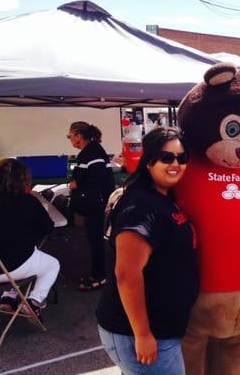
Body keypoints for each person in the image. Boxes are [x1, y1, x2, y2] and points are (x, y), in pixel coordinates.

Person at [96, 126, 199, 375]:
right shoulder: (142, 205)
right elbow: (127, 274)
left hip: (161, 331)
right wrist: (142, 334)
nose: (176, 164)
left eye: (181, 158)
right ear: (149, 161)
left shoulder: (162, 197)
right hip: (140, 335)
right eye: (167, 157)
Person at [0, 158, 60, 321]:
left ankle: (8, 297)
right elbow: (47, 227)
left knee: (20, 255)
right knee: (50, 264)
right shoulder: (26, 200)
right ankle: (34, 302)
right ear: (22, 179)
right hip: (12, 266)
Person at [67, 121, 115, 291]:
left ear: (78, 136)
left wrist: (76, 184)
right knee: (94, 240)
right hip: (95, 202)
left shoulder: (92, 153)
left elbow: (96, 178)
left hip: (96, 204)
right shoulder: (90, 151)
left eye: (70, 136)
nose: (70, 139)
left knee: (95, 241)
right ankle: (98, 274)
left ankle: (99, 276)